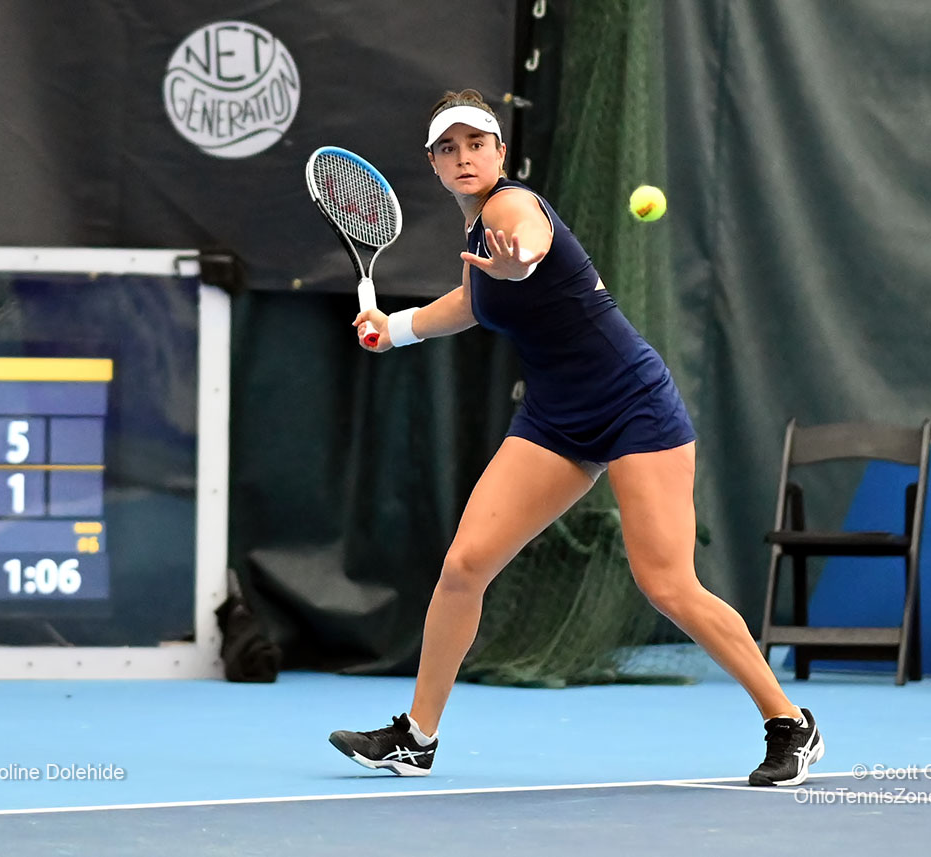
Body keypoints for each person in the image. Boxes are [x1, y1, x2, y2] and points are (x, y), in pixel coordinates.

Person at [328, 89, 823, 787]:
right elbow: (472, 301)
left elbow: (528, 243)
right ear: (433, 164)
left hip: (633, 406)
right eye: (449, 148)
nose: (464, 157)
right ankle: (417, 736)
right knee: (465, 565)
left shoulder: (509, 209)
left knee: (667, 583)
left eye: (477, 143)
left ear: (500, 153)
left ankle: (790, 723)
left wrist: (522, 264)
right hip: (556, 416)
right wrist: (398, 329)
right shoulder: (475, 239)